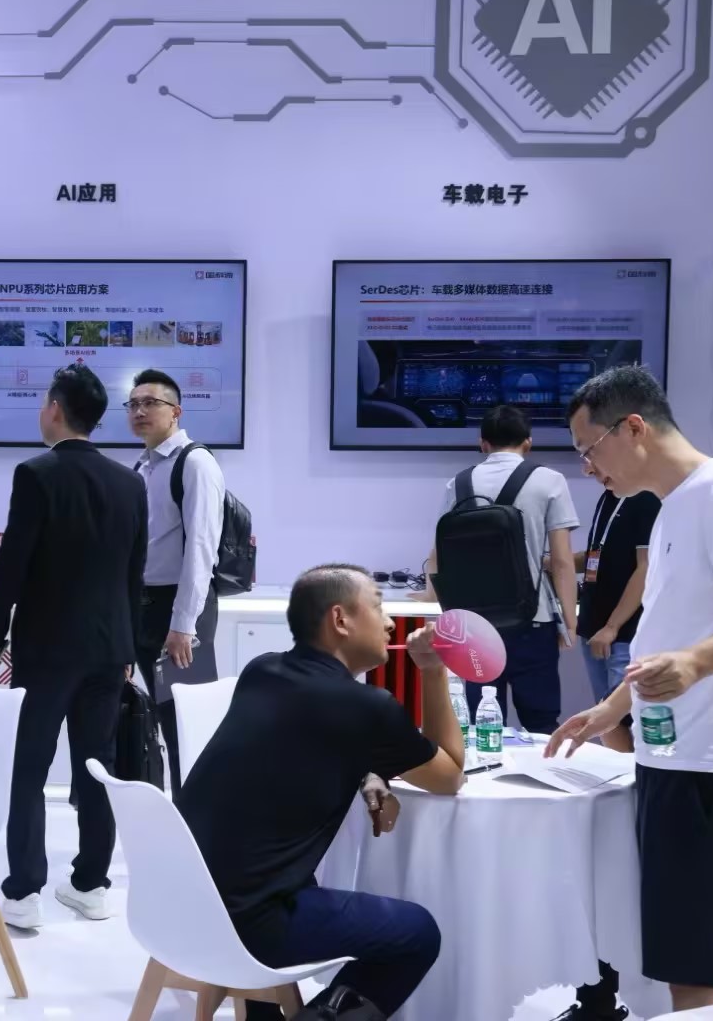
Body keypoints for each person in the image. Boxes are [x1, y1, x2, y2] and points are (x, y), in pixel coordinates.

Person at [550, 365, 713, 1013]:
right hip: (682, 757)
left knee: (701, 973)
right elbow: (674, 633)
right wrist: (611, 708)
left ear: (633, 427)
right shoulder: (675, 507)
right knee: (703, 964)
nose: (588, 467)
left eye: (589, 449)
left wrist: (695, 664)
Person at [179, 566, 465, 1021]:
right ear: (340, 619)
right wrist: (433, 670)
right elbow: (450, 776)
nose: (390, 623)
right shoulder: (367, 707)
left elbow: (305, 745)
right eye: (378, 607)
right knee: (418, 933)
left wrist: (371, 772)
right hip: (251, 922)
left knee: (287, 875)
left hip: (184, 901)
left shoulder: (262, 670)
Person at [0, 364, 147, 930]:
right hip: (110, 649)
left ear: (54, 408)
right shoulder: (130, 483)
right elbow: (134, 573)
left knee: (29, 766)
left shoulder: (36, 474)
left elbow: (12, 564)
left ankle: (24, 892)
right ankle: (91, 884)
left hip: (48, 648)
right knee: (98, 767)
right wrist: (128, 647)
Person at [427, 405, 579, 735]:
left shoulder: (458, 483)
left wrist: (437, 604)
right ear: (528, 443)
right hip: (533, 619)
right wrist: (569, 623)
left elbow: (439, 556)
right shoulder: (549, 480)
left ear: (483, 443)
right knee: (540, 723)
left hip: (475, 623)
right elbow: (562, 561)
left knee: (479, 724)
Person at [128, 368, 224, 794]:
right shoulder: (143, 465)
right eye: (133, 404)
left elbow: (201, 547)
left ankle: (198, 818)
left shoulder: (195, 462)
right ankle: (174, 813)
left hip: (180, 610)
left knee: (186, 724)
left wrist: (184, 624)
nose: (140, 411)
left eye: (151, 403)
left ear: (176, 412)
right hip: (145, 605)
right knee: (158, 719)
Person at [572, 488, 659, 755]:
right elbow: (600, 555)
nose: (588, 469)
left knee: (622, 718)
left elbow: (646, 567)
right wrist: (554, 562)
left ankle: (635, 779)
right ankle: (622, 776)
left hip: (624, 633)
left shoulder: (646, 498)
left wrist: (613, 626)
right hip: (594, 627)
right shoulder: (609, 497)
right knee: (605, 717)